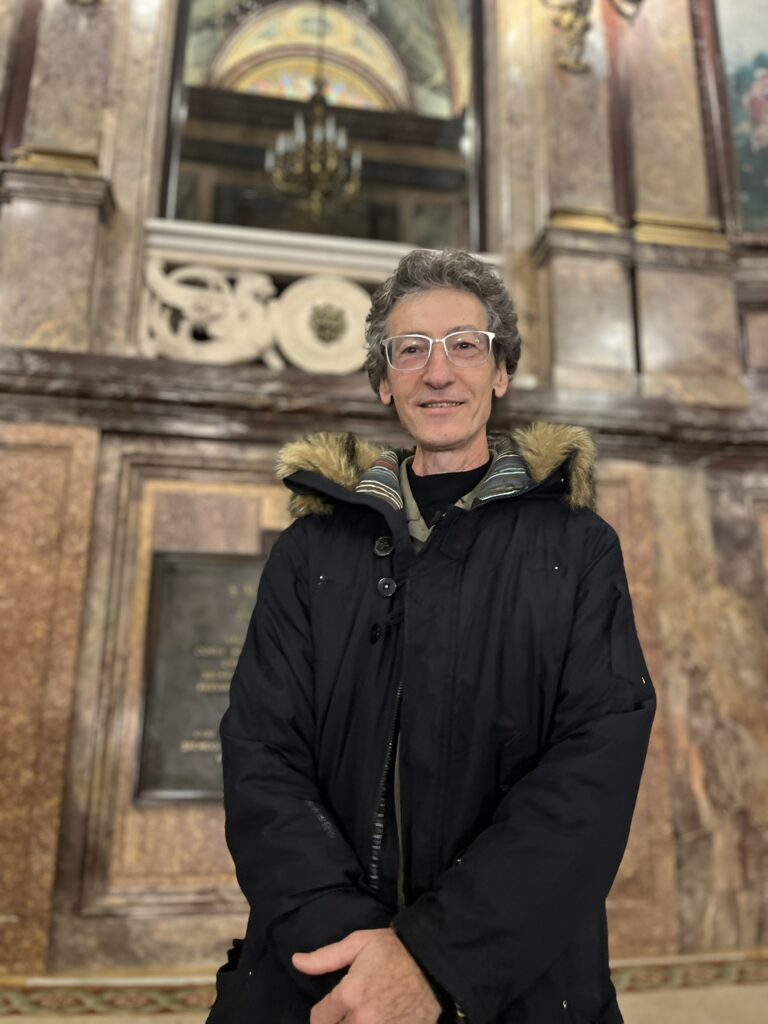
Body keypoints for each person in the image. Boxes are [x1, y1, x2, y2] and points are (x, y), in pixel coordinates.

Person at [208, 249, 656, 1024]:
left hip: (515, 985)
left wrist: (435, 961)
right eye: (410, 349)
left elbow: (592, 773)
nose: (437, 371)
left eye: (464, 345)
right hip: (323, 975)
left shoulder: (579, 549)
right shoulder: (311, 551)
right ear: (385, 382)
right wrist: (349, 944)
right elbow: (260, 756)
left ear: (501, 371)